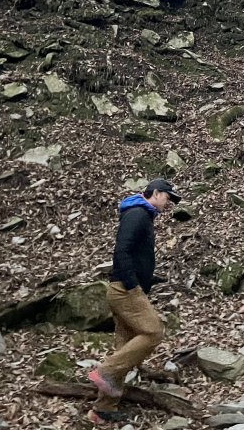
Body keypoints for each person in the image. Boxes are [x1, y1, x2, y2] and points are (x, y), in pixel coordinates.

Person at [87, 177, 182, 425]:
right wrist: (132, 283)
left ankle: (102, 410)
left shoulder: (141, 214)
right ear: (157, 193)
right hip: (125, 290)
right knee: (153, 332)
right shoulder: (138, 214)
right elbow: (122, 250)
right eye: (167, 197)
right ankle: (105, 371)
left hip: (126, 288)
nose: (168, 203)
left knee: (125, 349)